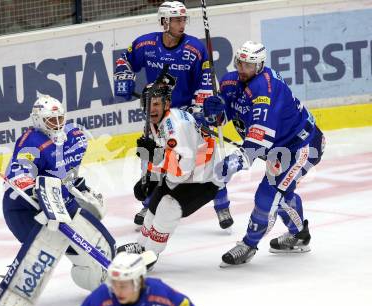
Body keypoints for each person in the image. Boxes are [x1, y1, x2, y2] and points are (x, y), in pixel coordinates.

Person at [0, 95, 116, 306]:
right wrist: (33, 190)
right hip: (24, 210)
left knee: (96, 274)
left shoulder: (74, 136)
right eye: (51, 120)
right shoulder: (31, 141)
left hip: (61, 206)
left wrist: (81, 189)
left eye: (60, 118)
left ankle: (94, 271)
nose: (57, 124)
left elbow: (66, 175)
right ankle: (17, 285)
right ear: (38, 120)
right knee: (44, 249)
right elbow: (19, 174)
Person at [203, 41, 326, 266]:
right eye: (240, 63)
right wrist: (215, 110)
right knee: (282, 194)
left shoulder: (266, 89)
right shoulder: (230, 81)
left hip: (302, 147)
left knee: (266, 197)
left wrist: (236, 160)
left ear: (259, 66)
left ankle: (248, 245)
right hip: (278, 151)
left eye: (248, 65)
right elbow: (223, 118)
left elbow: (259, 142)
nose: (242, 69)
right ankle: (299, 235)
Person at [114, 0, 233, 230]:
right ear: (164, 21)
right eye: (177, 20)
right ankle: (149, 203)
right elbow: (124, 60)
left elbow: (206, 80)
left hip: (186, 114)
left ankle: (221, 203)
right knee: (152, 157)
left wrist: (201, 109)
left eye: (183, 19)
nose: (182, 24)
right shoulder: (146, 44)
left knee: (205, 160)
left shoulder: (194, 48)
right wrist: (123, 77)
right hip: (156, 113)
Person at [117, 75, 224, 266]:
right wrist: (149, 178)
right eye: (148, 104)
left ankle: (150, 255)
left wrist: (156, 158)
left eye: (157, 104)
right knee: (155, 203)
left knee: (168, 208)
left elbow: (182, 169)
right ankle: (142, 245)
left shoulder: (176, 126)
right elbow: (157, 156)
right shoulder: (153, 123)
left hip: (204, 180)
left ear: (167, 104)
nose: (152, 109)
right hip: (184, 175)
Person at [75, 252, 204, 306]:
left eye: (123, 286)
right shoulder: (99, 299)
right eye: (114, 284)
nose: (117, 290)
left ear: (138, 282)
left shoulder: (160, 294)